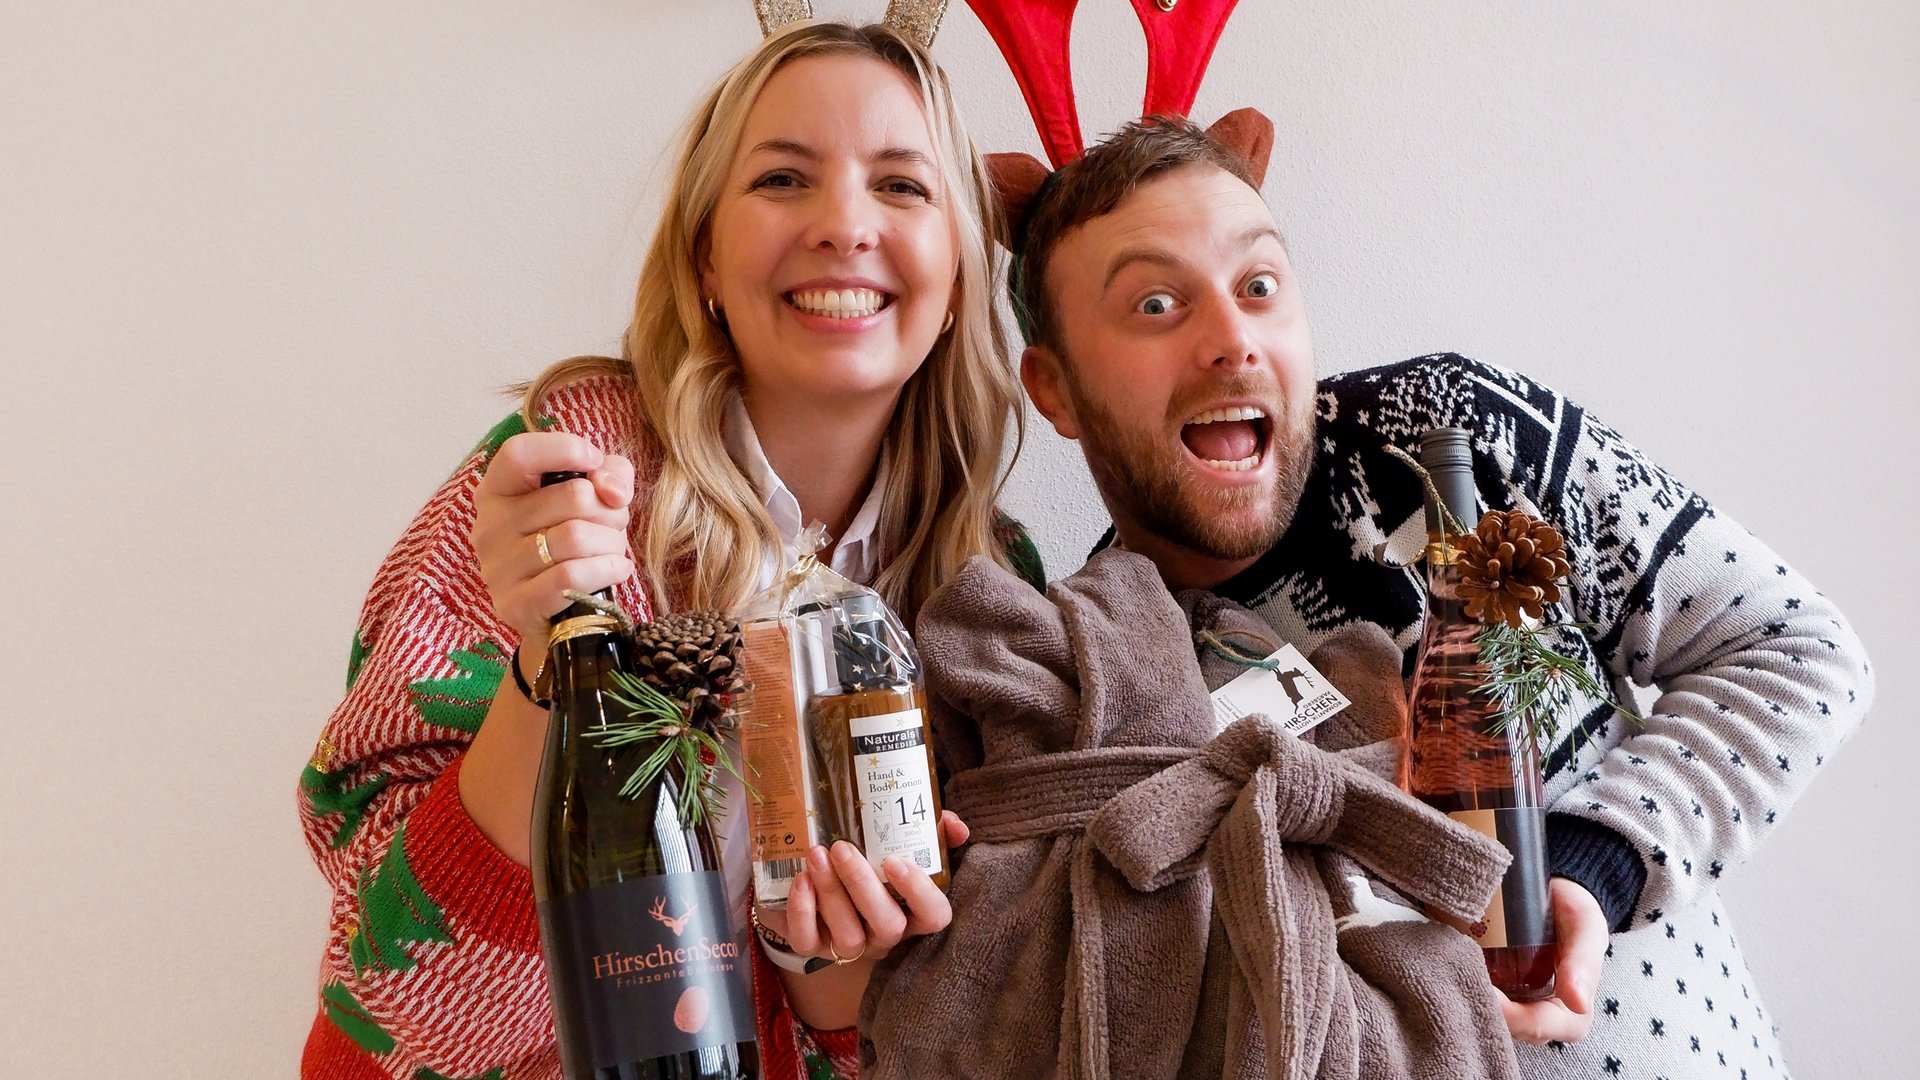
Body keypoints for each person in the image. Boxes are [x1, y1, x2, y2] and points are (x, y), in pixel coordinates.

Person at [1010, 116, 1871, 1078]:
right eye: (1158, 304)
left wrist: (1600, 859)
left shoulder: (1450, 431)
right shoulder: (1094, 663)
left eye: (1259, 287)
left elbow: (1800, 653)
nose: (1232, 341)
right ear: (1056, 390)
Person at [296, 21, 1041, 1080]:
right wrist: (551, 657)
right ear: (704, 257)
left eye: (902, 186)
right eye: (783, 178)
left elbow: (976, 1029)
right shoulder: (566, 476)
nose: (842, 224)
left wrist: (823, 968)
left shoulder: (993, 588)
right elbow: (400, 999)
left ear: (960, 268)